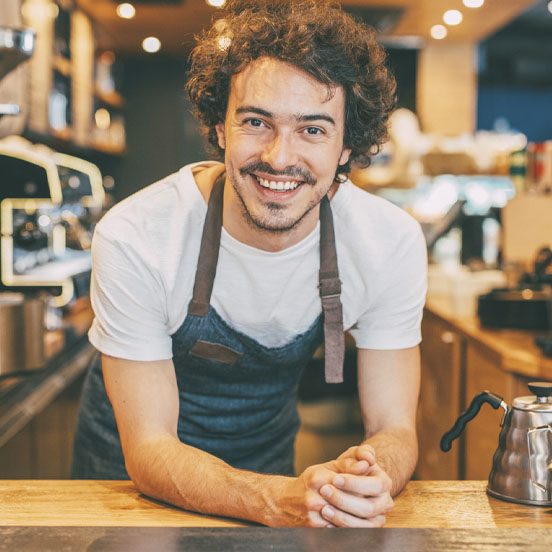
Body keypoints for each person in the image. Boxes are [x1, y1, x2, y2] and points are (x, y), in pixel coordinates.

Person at [72, 0, 427, 528]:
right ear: (219, 127)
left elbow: (396, 429)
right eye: (257, 122)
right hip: (128, 490)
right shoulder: (137, 237)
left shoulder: (388, 242)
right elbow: (149, 449)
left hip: (268, 475)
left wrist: (369, 477)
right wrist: (275, 500)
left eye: (312, 129)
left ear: (347, 144)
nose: (280, 157)